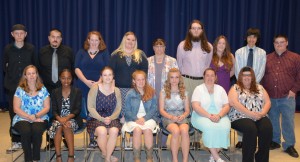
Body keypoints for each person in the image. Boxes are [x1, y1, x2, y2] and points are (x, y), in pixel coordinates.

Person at [262, 34, 300, 158]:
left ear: (287, 43)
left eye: (282, 42)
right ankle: (275, 141)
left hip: (287, 96)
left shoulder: (295, 58)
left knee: (288, 121)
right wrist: (264, 92)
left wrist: (294, 90)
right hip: (271, 96)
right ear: (273, 44)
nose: (279, 45)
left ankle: (289, 144)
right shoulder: (267, 58)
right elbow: (262, 76)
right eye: (276, 42)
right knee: (272, 120)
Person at [177, 19, 213, 148]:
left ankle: (197, 139)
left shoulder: (209, 47)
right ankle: (188, 138)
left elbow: (208, 65)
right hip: (186, 80)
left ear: (202, 31)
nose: (196, 30)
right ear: (190, 30)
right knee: (187, 109)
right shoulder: (182, 45)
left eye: (198, 28)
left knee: (200, 109)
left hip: (201, 82)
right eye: (193, 28)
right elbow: (179, 65)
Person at [110, 31, 148, 147]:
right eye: (128, 39)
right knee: (121, 116)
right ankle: (122, 137)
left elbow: (144, 74)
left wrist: (140, 88)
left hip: (135, 91)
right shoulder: (116, 55)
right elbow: (111, 74)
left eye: (133, 40)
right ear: (124, 40)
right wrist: (112, 90)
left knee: (133, 114)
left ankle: (132, 138)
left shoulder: (140, 55)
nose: (130, 42)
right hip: (119, 90)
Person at [39, 28, 74, 149]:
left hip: (63, 89)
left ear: (61, 39)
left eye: (58, 37)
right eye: (53, 37)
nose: (55, 39)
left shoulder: (68, 51)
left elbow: (72, 69)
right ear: (49, 38)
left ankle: (65, 138)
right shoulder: (42, 51)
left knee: (63, 113)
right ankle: (51, 140)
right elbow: (38, 70)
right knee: (50, 115)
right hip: (47, 89)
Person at [228, 66, 272, 162]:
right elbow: (234, 103)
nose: (247, 77)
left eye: (249, 75)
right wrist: (250, 114)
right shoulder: (235, 87)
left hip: (259, 115)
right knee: (250, 128)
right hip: (239, 116)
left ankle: (261, 158)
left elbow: (268, 102)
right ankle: (248, 159)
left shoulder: (259, 87)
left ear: (252, 77)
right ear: (240, 77)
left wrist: (262, 113)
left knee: (267, 128)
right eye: (244, 75)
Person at [3, 24, 36, 151]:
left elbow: (34, 65)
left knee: (29, 112)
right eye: (16, 33)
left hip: (28, 86)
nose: (19, 36)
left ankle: (31, 140)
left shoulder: (31, 48)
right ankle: (16, 141)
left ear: (25, 34)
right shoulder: (7, 49)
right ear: (12, 35)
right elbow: (4, 66)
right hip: (12, 86)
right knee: (14, 113)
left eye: (21, 33)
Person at [75, 31, 110, 147]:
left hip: (100, 86)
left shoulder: (104, 53)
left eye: (97, 40)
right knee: (86, 111)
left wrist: (98, 83)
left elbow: (107, 69)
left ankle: (97, 137)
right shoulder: (81, 52)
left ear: (100, 41)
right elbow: (76, 68)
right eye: (92, 40)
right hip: (82, 85)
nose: (94, 42)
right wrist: (85, 81)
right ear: (88, 40)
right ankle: (90, 138)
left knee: (96, 111)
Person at [234, 28, 266, 148]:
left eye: (254, 37)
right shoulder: (239, 52)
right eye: (249, 37)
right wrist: (243, 85)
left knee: (254, 109)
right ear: (246, 38)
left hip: (255, 85)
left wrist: (253, 85)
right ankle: (242, 139)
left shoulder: (262, 53)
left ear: (257, 39)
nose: (251, 39)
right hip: (241, 85)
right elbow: (238, 70)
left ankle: (253, 137)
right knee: (242, 111)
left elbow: (261, 70)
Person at [191, 68, 231, 162]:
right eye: (207, 75)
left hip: (219, 115)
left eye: (212, 75)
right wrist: (209, 116)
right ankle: (217, 158)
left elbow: (226, 106)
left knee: (225, 127)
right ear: (204, 77)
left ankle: (213, 154)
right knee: (210, 127)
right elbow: (195, 106)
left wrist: (219, 116)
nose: (210, 77)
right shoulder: (198, 89)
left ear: (215, 77)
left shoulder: (220, 89)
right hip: (201, 115)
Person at [12, 65, 50, 162]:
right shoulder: (19, 89)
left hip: (40, 117)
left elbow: (47, 107)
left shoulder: (43, 89)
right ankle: (28, 159)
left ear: (37, 75)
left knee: (37, 130)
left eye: (33, 73)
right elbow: (16, 109)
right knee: (26, 131)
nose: (32, 76)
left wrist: (36, 116)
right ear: (25, 76)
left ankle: (36, 158)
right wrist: (29, 117)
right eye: (29, 74)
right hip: (22, 117)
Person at [147, 38, 178, 148]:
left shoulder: (172, 61)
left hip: (167, 96)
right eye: (157, 46)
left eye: (161, 46)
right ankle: (153, 144)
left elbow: (177, 79)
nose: (159, 49)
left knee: (164, 119)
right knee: (153, 118)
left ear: (165, 47)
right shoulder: (147, 61)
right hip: (151, 96)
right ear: (153, 48)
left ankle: (162, 144)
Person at [87, 67, 122, 162]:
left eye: (110, 75)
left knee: (114, 131)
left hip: (112, 118)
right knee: (102, 131)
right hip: (96, 118)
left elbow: (118, 108)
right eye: (105, 75)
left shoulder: (117, 90)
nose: (107, 77)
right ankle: (106, 154)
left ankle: (106, 157)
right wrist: (102, 119)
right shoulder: (95, 88)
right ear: (101, 77)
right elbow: (90, 107)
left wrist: (110, 118)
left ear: (113, 76)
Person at [122, 70, 158, 162]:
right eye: (138, 80)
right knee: (137, 130)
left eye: (143, 79)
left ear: (145, 80)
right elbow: (127, 110)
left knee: (147, 130)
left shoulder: (151, 92)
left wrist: (144, 118)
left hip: (148, 117)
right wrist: (136, 119)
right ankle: (136, 158)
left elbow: (154, 109)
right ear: (134, 81)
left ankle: (149, 157)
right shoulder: (130, 94)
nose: (141, 82)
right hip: (133, 118)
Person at [48, 69, 82, 162]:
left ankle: (71, 156)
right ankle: (58, 156)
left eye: (69, 78)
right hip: (58, 119)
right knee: (58, 127)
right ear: (60, 78)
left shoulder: (77, 91)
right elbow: (54, 110)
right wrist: (60, 119)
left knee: (67, 127)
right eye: (63, 78)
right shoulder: (55, 92)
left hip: (72, 118)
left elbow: (77, 110)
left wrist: (66, 118)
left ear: (72, 79)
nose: (66, 81)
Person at [159, 68, 190, 162]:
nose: (174, 80)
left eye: (176, 77)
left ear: (179, 79)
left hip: (181, 116)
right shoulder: (163, 92)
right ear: (168, 79)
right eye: (172, 77)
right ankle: (175, 159)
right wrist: (171, 117)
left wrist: (183, 116)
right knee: (176, 131)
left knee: (184, 130)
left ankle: (185, 160)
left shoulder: (184, 92)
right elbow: (161, 110)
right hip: (168, 117)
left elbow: (187, 110)